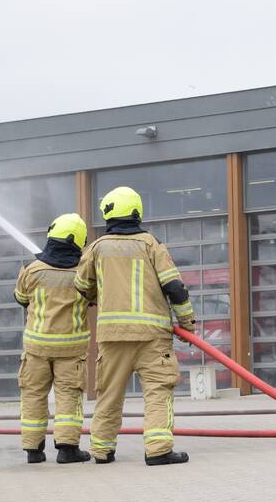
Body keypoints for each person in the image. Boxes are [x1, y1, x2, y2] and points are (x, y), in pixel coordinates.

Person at [74, 186, 197, 464]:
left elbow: (81, 285)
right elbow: (175, 287)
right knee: (158, 390)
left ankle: (102, 450)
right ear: (136, 211)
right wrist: (187, 323)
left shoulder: (95, 248)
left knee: (109, 394)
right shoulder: (151, 244)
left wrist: (97, 294)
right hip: (152, 336)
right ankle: (158, 450)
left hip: (112, 336)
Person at [13, 213, 92, 464]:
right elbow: (95, 298)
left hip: (36, 347)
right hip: (71, 348)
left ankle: (33, 450)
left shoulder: (31, 269)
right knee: (68, 396)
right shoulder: (83, 272)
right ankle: (68, 450)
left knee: (33, 395)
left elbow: (20, 298)